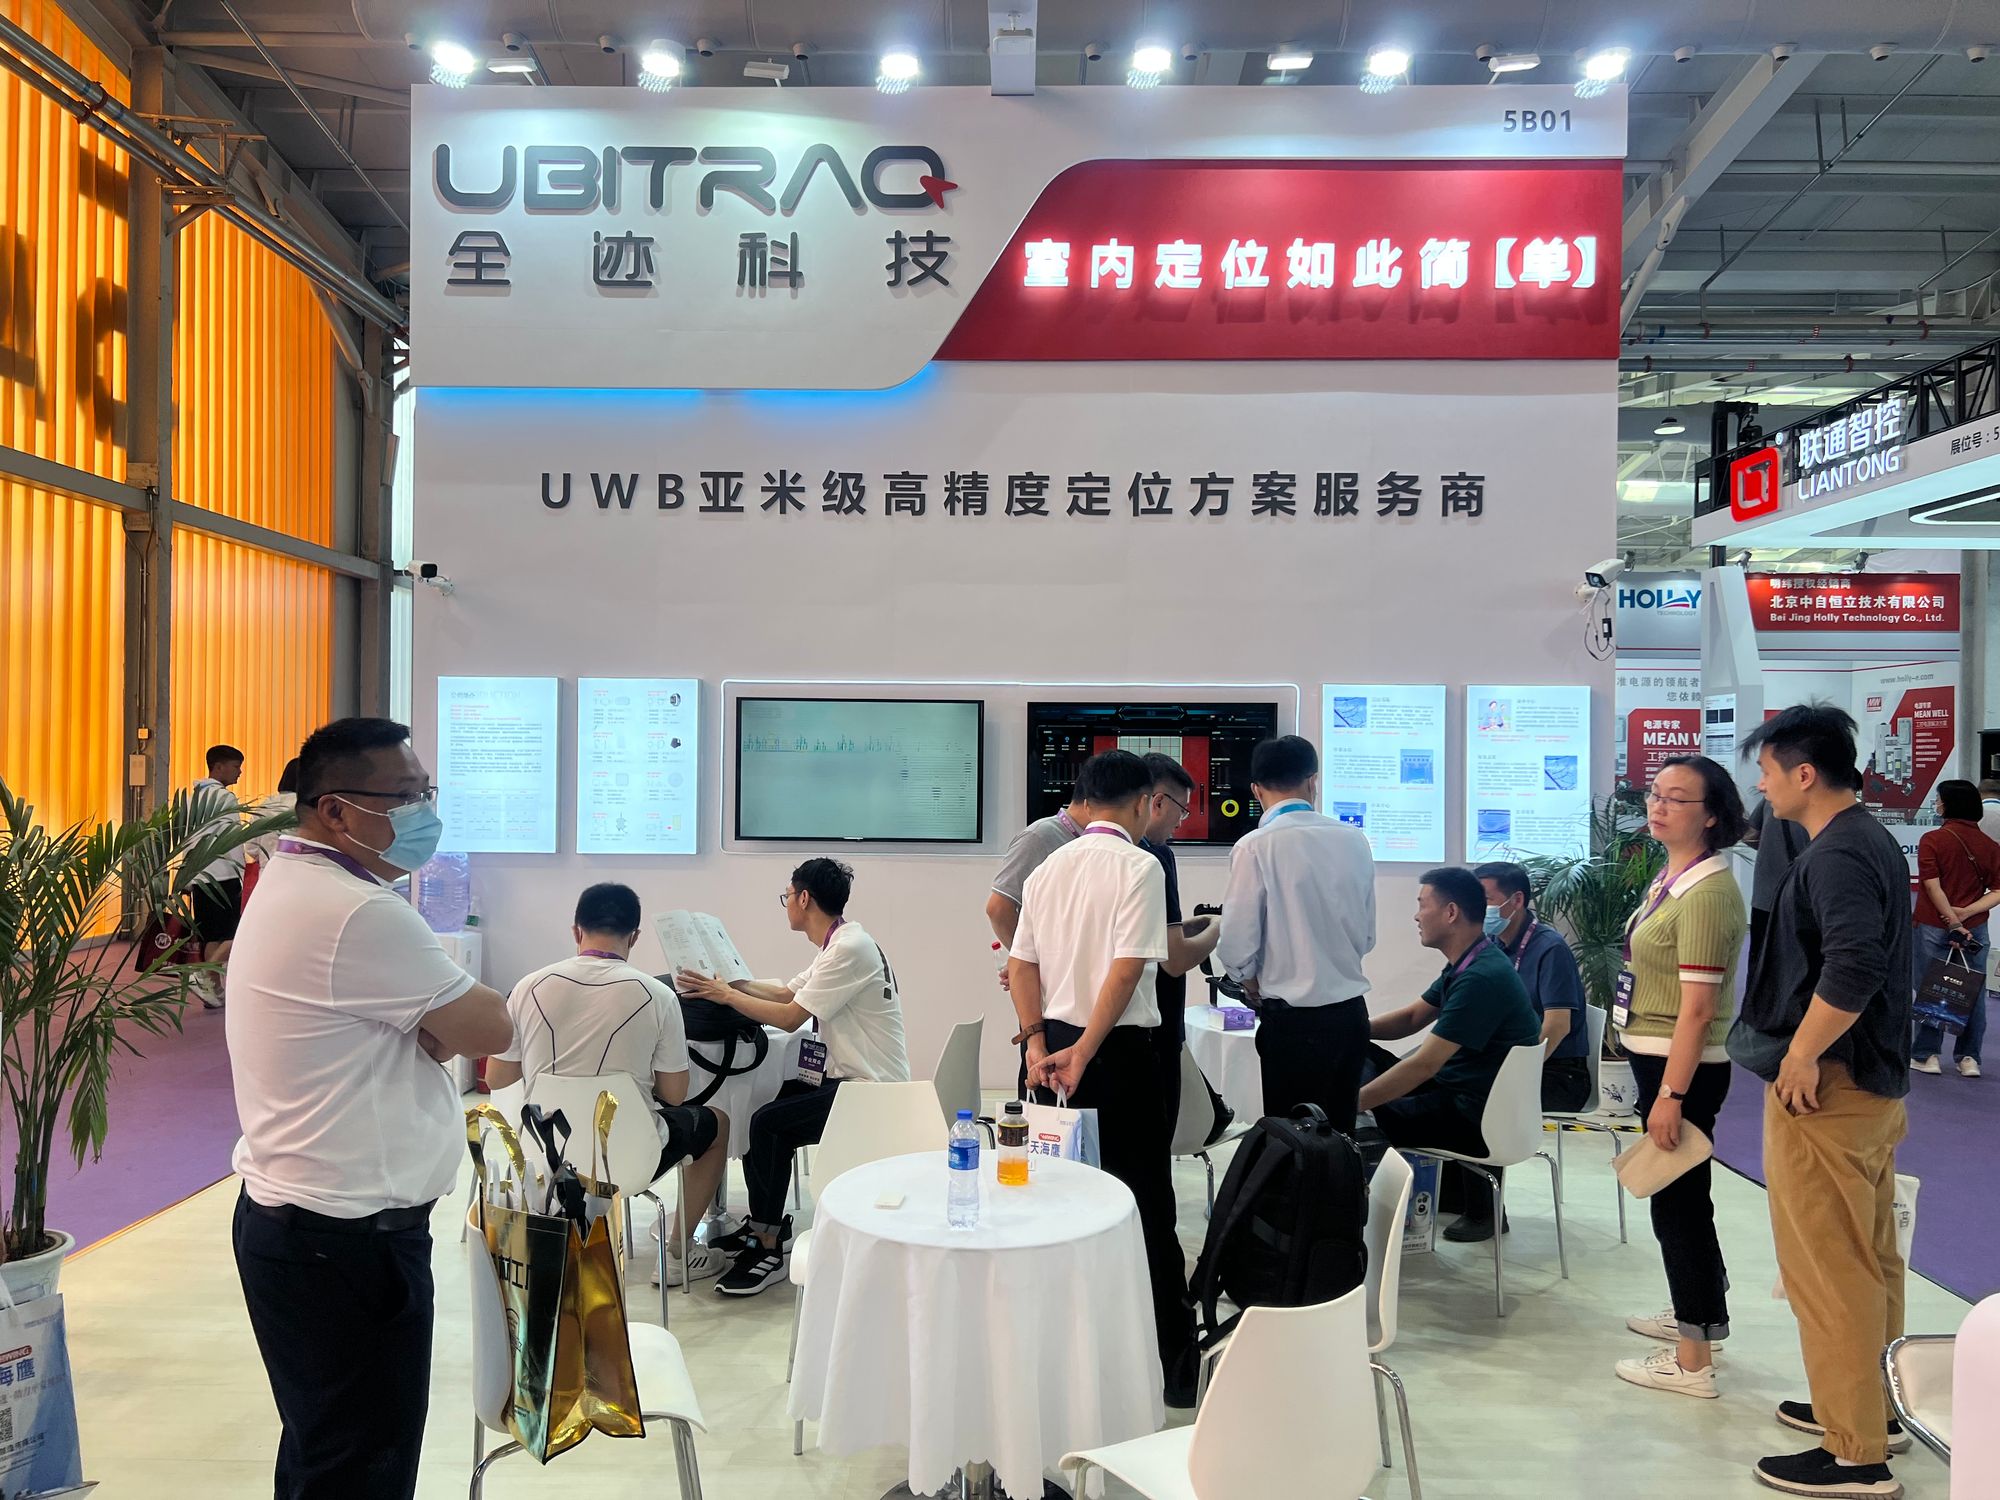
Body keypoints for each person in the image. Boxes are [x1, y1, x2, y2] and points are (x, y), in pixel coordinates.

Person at [227, 717, 514, 1500]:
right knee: (360, 1466)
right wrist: (434, 1023)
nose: (425, 814)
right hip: (345, 1242)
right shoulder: (358, 912)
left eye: (428, 793)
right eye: (406, 797)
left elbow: (447, 1031)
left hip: (305, 1226)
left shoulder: (299, 884)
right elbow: (490, 1027)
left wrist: (431, 1024)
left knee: (328, 1451)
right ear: (335, 811)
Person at [1733, 704, 1913, 1497]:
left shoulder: (1836, 853)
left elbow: (1854, 964)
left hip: (1829, 1088)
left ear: (1805, 774)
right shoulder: (1866, 840)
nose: (1763, 788)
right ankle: (1871, 1411)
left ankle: (1855, 1455)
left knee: (1830, 1268)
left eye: (1768, 773)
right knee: (1869, 1259)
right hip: (1866, 1086)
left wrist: (1802, 1054)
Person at [1010, 749, 1197, 1405]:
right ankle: (1173, 1369)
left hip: (1050, 1054)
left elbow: (1021, 965)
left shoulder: (1049, 868)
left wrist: (1038, 1043)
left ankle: (1060, 1360)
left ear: (1086, 801)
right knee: (1145, 1205)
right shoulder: (1141, 865)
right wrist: (1087, 1049)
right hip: (1114, 1054)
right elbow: (1128, 969)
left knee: (1055, 1202)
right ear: (1144, 803)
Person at [675, 857, 909, 1297]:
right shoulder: (840, 943)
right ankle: (763, 1224)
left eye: (786, 896)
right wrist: (732, 984)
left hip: (869, 1092)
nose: (785, 903)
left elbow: (788, 1016)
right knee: (766, 1104)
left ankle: (767, 1246)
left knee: (767, 1124)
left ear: (803, 898)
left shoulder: (848, 949)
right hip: (849, 1080)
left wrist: (726, 995)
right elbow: (785, 991)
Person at [486, 882, 732, 1286]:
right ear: (635, 937)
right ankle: (677, 1254)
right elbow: (675, 1095)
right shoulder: (658, 995)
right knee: (717, 1123)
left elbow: (497, 1077)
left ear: (575, 931)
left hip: (545, 1155)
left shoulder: (527, 987)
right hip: (629, 1161)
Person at [1607, 756, 1749, 1402]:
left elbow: (1697, 1008)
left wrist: (1671, 1094)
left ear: (1712, 815)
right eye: (1655, 794)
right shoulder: (1674, 876)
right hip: (1659, 1058)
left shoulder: (1709, 892)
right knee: (1683, 1201)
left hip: (1679, 1067)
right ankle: (1698, 1313)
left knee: (1678, 1206)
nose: (1658, 807)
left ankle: (1693, 1359)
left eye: (1677, 798)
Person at [1358, 869, 1541, 1227]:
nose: (1416, 916)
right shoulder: (1473, 960)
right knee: (1357, 1053)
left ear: (1451, 912)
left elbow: (1424, 1064)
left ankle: (1370, 1216)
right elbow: (1412, 1018)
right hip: (1464, 1094)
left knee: (1358, 1118)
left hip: (1472, 1114)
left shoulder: (1480, 977)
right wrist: (1352, 1030)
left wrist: (1354, 1103)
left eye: (1422, 905)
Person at [1215, 734, 1376, 1132]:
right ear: (1313, 781)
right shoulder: (1354, 839)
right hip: (1350, 1017)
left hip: (1291, 1025)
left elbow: (1236, 941)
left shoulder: (1255, 846)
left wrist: (1246, 980)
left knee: (1294, 1140)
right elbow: (1367, 936)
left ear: (1256, 790)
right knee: (1341, 1134)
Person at [1444, 862, 1590, 1244]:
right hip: (1511, 1064)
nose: (1479, 908)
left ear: (1517, 900)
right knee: (1450, 1081)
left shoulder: (1549, 948)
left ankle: (1486, 1213)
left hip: (1560, 1073)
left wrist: (1516, 1075)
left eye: (1486, 899)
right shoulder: (1490, 946)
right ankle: (1457, 1195)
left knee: (1478, 1095)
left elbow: (1557, 1026)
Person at [1138, 752, 1222, 1121]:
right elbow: (1174, 960)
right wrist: (1218, 928)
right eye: (1182, 810)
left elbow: (1146, 936)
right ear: (1158, 802)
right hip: (1158, 1020)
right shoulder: (1154, 858)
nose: (1181, 821)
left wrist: (1184, 927)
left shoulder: (1098, 854)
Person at [1909, 778, 2000, 1076]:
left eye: (1938, 799)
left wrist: (1952, 920)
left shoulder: (1933, 840)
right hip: (1976, 928)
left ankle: (1927, 1055)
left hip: (1933, 923)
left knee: (1930, 987)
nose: (1936, 804)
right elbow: (1998, 890)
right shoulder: (1989, 846)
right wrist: (1967, 913)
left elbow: (1932, 886)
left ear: (1947, 805)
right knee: (1973, 990)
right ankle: (1969, 1058)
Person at [189, 743, 249, 1008]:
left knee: (211, 935)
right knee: (231, 934)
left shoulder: (191, 797)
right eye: (236, 767)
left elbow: (187, 839)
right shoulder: (225, 798)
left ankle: (213, 990)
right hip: (223, 874)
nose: (239, 772)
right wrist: (241, 871)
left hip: (199, 874)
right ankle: (203, 975)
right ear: (219, 767)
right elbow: (233, 839)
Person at [1746, 797, 1807, 975]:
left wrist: (1770, 845)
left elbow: (1749, 835)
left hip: (1765, 897)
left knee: (1760, 966)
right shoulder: (1820, 804)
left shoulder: (1770, 799)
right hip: (1802, 899)